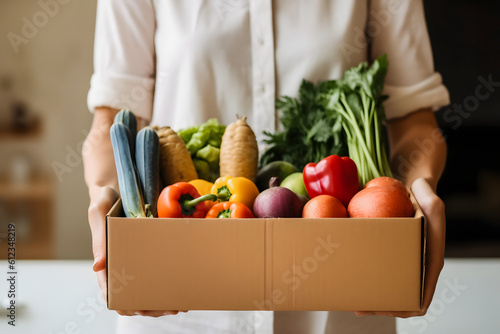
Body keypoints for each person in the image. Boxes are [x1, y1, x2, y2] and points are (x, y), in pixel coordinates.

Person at [83, 0, 448, 333]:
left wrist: (421, 187)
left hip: (342, 291)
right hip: (178, 291)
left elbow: (413, 119)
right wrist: (107, 196)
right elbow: (112, 117)